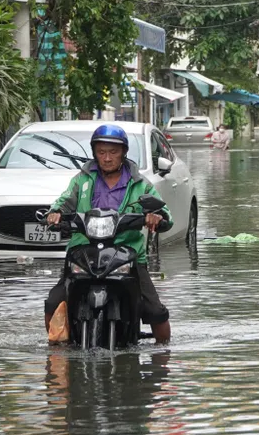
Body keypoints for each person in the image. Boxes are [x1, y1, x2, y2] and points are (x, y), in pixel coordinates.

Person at [43, 124, 172, 344]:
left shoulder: (139, 184)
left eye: (113, 152)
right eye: (102, 152)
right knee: (54, 302)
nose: (107, 158)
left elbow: (164, 213)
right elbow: (64, 202)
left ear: (123, 153)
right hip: (83, 251)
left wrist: (156, 216)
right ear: (95, 153)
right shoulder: (82, 180)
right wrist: (54, 213)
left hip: (127, 253)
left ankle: (163, 359)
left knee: (155, 309)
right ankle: (56, 352)